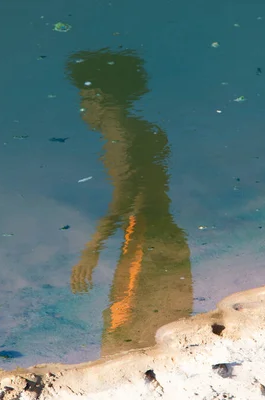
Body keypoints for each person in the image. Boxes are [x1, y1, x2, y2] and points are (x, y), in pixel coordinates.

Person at [66, 48, 193, 356]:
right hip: (167, 228)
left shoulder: (117, 138)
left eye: (83, 103)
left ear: (97, 97)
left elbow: (123, 198)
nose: (81, 113)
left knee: (122, 327)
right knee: (164, 312)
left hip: (144, 233)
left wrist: (92, 248)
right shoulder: (144, 128)